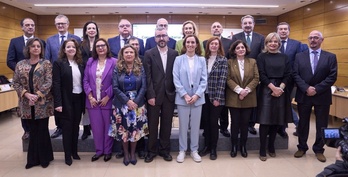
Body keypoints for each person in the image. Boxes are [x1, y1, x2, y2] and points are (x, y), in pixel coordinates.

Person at [293, 30, 337, 162]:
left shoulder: (330, 57)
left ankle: (319, 149)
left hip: (322, 95)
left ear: (321, 40)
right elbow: (295, 74)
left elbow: (332, 76)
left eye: (316, 38)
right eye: (311, 38)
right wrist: (306, 88)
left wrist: (316, 89)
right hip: (304, 94)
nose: (313, 40)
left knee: (322, 124)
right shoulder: (299, 56)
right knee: (303, 123)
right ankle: (301, 147)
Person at [13, 38, 54, 169]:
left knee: (42, 130)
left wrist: (36, 95)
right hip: (26, 103)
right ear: (28, 48)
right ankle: (32, 159)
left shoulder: (46, 63)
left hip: (42, 103)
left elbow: (49, 82)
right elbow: (16, 82)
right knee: (32, 130)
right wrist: (26, 94)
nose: (36, 48)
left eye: (38, 46)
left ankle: (45, 158)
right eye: (33, 46)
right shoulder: (20, 64)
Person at [6, 18, 46, 140]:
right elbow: (10, 60)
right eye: (27, 25)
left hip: (39, 81)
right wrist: (23, 71)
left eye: (32, 25)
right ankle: (27, 130)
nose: (30, 27)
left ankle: (39, 130)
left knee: (39, 107)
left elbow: (45, 58)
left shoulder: (41, 42)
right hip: (23, 82)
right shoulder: (15, 41)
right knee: (25, 107)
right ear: (22, 27)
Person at [143, 27, 179, 163]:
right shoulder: (148, 53)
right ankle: (151, 151)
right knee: (152, 125)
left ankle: (164, 150)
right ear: (155, 39)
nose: (161, 38)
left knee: (166, 124)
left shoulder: (174, 54)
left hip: (169, 94)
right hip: (154, 95)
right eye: (158, 36)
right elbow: (148, 77)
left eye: (164, 36)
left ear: (168, 38)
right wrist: (150, 95)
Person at [256, 32, 292, 161]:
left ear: (279, 43)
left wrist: (280, 88)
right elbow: (261, 73)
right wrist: (272, 87)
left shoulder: (285, 57)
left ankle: (271, 146)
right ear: (266, 43)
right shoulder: (261, 56)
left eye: (275, 41)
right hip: (266, 89)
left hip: (281, 90)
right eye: (270, 41)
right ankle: (262, 148)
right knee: (265, 121)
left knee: (277, 120)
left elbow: (288, 74)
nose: (273, 44)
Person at [111, 44, 148, 166]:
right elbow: (115, 87)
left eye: (131, 52)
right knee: (124, 131)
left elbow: (143, 86)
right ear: (122, 54)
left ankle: (133, 153)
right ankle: (126, 154)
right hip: (122, 104)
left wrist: (136, 101)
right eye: (126, 52)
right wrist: (127, 101)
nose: (129, 54)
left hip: (138, 104)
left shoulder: (140, 67)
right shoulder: (117, 68)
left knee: (135, 130)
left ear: (135, 54)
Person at [46, 14, 81, 139]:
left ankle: (72, 128)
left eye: (63, 23)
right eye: (58, 23)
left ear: (68, 24)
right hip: (57, 77)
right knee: (59, 104)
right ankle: (59, 127)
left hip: (73, 77)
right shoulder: (50, 40)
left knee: (73, 109)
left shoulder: (76, 38)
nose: (60, 25)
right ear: (55, 25)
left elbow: (79, 57)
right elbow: (47, 59)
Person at [173, 34, 207, 163]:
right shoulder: (178, 60)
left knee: (195, 125)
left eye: (193, 42)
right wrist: (185, 95)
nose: (190, 45)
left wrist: (197, 94)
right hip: (183, 98)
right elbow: (175, 78)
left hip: (198, 98)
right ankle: (182, 150)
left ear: (197, 44)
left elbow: (204, 80)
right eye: (188, 42)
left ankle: (194, 150)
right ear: (184, 44)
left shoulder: (201, 60)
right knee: (183, 125)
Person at [83, 38, 116, 162]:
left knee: (108, 127)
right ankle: (99, 151)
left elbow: (116, 82)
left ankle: (107, 151)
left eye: (103, 45)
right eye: (98, 46)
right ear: (95, 49)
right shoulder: (91, 61)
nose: (100, 48)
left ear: (107, 47)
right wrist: (90, 96)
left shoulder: (114, 62)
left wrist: (108, 96)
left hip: (108, 100)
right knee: (96, 128)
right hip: (93, 101)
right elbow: (85, 80)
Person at [52, 39, 84, 166]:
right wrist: (58, 103)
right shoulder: (59, 63)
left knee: (76, 127)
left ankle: (74, 152)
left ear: (76, 49)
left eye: (73, 47)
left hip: (78, 98)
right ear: (64, 50)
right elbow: (56, 84)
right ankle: (67, 155)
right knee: (67, 128)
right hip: (65, 100)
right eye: (68, 47)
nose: (71, 49)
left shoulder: (80, 63)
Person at [231, 15, 265, 135]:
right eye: (245, 23)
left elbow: (262, 56)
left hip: (253, 72)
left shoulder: (260, 38)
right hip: (238, 73)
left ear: (253, 24)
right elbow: (232, 54)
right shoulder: (236, 37)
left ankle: (250, 124)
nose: (247, 25)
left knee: (252, 101)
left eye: (250, 23)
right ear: (241, 25)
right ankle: (239, 126)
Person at [225, 40, 259, 158]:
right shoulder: (229, 62)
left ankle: (243, 146)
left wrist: (246, 91)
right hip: (234, 97)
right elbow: (228, 78)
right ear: (234, 50)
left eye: (242, 48)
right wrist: (239, 90)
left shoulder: (252, 61)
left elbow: (256, 78)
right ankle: (234, 146)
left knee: (245, 124)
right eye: (238, 48)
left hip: (248, 97)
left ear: (246, 49)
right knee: (234, 123)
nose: (240, 49)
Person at [198, 36, 227, 160]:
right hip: (203, 96)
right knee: (206, 123)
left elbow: (222, 80)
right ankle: (207, 146)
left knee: (214, 123)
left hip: (216, 97)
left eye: (216, 44)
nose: (214, 46)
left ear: (219, 46)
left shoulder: (223, 60)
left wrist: (218, 98)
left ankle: (214, 148)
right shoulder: (202, 60)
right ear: (208, 46)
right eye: (212, 44)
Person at [203, 21, 233, 138]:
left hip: (218, 91)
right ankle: (206, 142)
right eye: (214, 26)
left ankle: (224, 128)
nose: (216, 28)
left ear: (222, 29)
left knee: (219, 114)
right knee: (207, 120)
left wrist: (218, 97)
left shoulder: (228, 43)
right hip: (205, 93)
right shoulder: (203, 56)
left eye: (218, 26)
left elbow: (222, 78)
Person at [276, 22, 302, 138]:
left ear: (289, 31)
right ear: (277, 31)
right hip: (274, 80)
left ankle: (284, 128)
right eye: (280, 29)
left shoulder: (296, 44)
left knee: (285, 103)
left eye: (285, 29)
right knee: (278, 105)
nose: (283, 31)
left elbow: (299, 63)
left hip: (290, 81)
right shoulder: (272, 42)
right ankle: (281, 127)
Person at [80, 21, 100, 140]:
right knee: (86, 104)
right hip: (84, 77)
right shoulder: (80, 44)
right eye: (89, 28)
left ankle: (97, 126)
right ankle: (86, 129)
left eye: (93, 28)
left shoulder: (101, 43)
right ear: (86, 31)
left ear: (96, 30)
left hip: (98, 77)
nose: (91, 30)